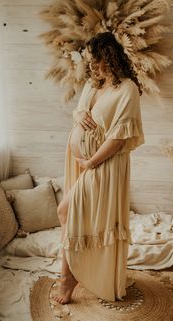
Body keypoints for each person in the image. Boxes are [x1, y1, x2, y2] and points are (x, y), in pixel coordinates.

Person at [52, 32, 145, 304]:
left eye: (96, 60)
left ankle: (68, 277)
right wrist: (79, 114)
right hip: (82, 164)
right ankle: (76, 269)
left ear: (110, 56)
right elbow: (80, 112)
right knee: (76, 217)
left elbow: (120, 137)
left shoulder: (127, 89)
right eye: (89, 61)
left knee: (65, 210)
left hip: (104, 165)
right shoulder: (94, 84)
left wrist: (92, 161)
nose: (91, 66)